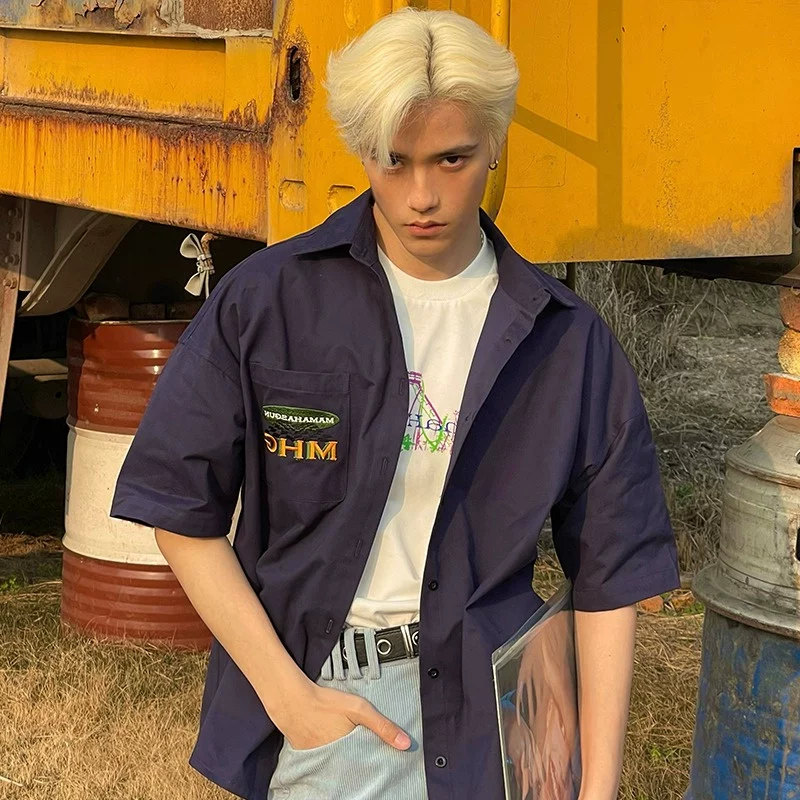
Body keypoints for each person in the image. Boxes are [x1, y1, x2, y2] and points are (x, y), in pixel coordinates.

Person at [110, 8, 680, 800]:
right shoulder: (268, 302)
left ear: (495, 144)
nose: (422, 196)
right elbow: (179, 504)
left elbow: (611, 574)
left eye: (453, 159)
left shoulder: (567, 342)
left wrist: (598, 787)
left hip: (497, 729)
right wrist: (289, 697)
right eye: (394, 160)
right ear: (362, 149)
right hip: (330, 714)